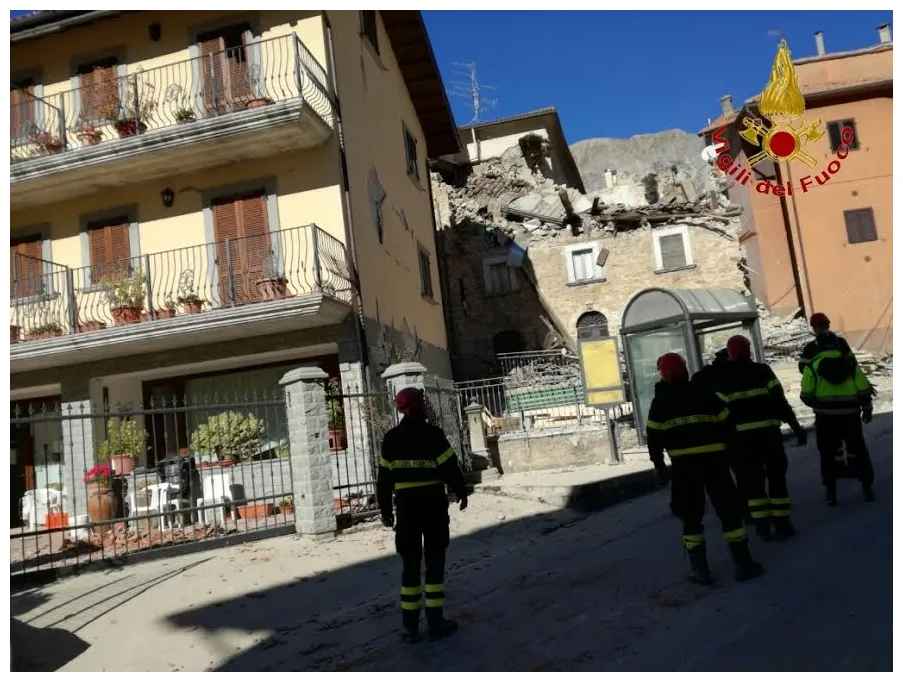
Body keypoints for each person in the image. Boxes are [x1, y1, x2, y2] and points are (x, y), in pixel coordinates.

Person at [647, 352, 763, 586]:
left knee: (690, 518)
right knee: (729, 513)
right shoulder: (707, 394)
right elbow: (729, 427)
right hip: (715, 464)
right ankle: (743, 563)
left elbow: (654, 438)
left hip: (684, 469)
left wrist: (659, 467)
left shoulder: (660, 402)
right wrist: (735, 457)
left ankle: (700, 571)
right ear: (685, 370)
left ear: (663, 375)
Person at [378, 387, 469, 643]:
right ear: (416, 406)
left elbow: (383, 479)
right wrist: (461, 491)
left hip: (406, 510)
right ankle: (436, 622)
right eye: (423, 402)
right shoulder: (433, 434)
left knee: (410, 568)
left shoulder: (391, 438)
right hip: (432, 508)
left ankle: (410, 628)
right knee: (435, 564)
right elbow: (451, 466)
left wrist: (385, 510)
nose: (426, 406)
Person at [713, 335, 807, 542]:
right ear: (749, 351)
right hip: (770, 436)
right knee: (776, 480)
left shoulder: (723, 379)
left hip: (743, 442)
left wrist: (724, 442)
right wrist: (796, 427)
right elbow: (780, 401)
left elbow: (719, 414)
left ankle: (763, 526)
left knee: (753, 484)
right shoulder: (762, 371)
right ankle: (783, 524)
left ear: (729, 353)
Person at [799, 326, 875, 506]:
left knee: (827, 453)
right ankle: (866, 485)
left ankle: (831, 491)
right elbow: (864, 389)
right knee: (858, 450)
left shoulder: (813, 367)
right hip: (850, 416)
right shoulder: (850, 365)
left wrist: (818, 406)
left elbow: (806, 395)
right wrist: (866, 407)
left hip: (825, 419)